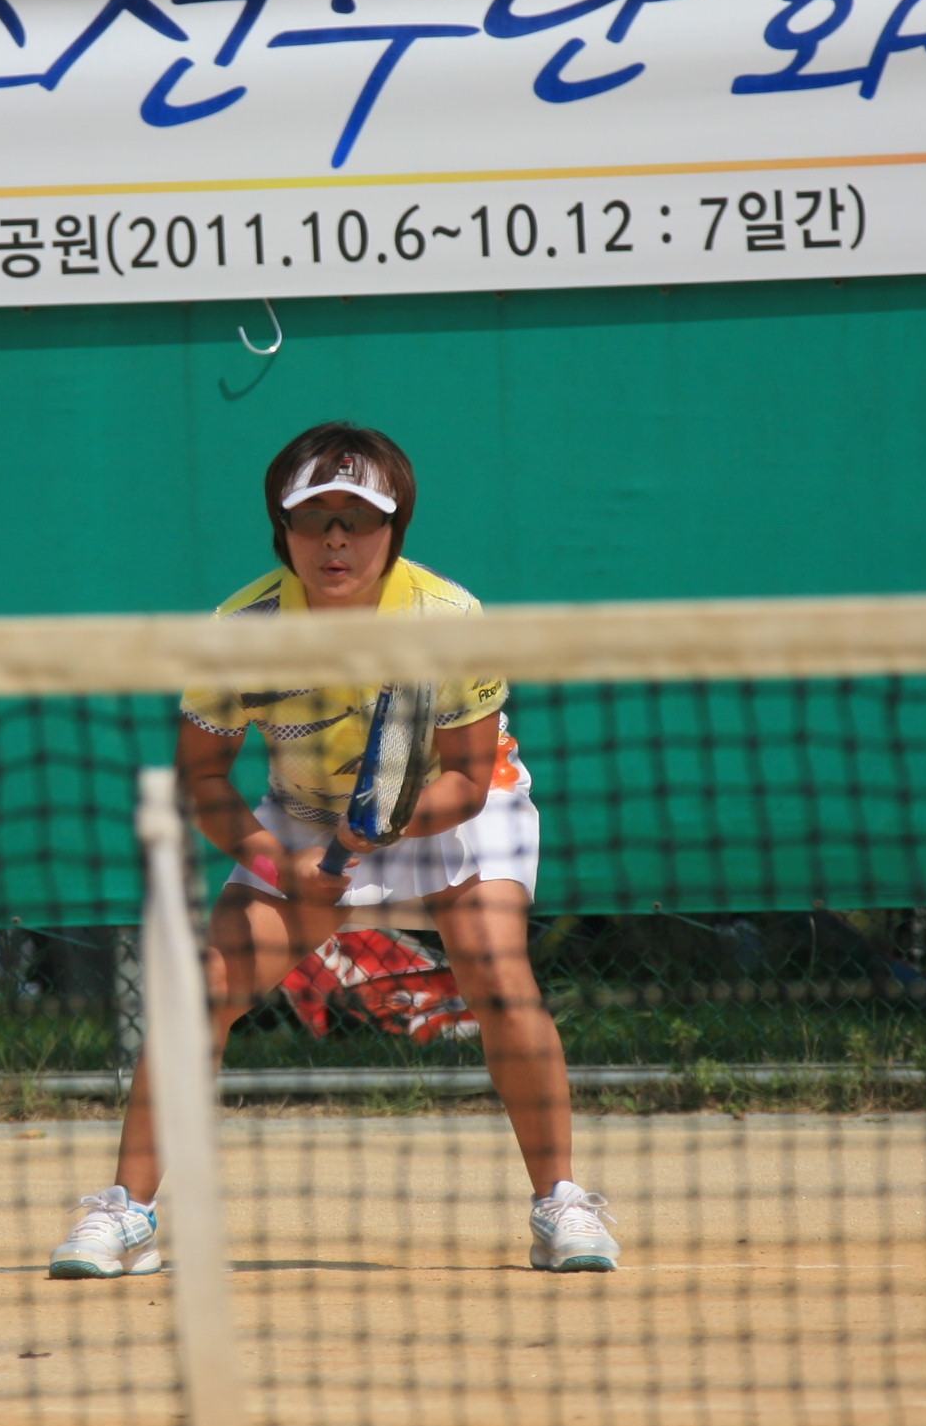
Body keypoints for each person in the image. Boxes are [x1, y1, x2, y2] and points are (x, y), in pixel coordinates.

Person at [50, 422, 617, 1277]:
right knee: (203, 991)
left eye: (360, 519)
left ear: (396, 528)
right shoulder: (241, 629)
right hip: (306, 812)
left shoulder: (447, 620)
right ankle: (126, 1213)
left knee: (499, 977)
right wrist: (278, 864)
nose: (337, 540)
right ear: (283, 530)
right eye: (315, 519)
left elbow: (468, 778)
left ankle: (560, 1204)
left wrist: (388, 823)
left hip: (454, 807)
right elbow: (202, 778)